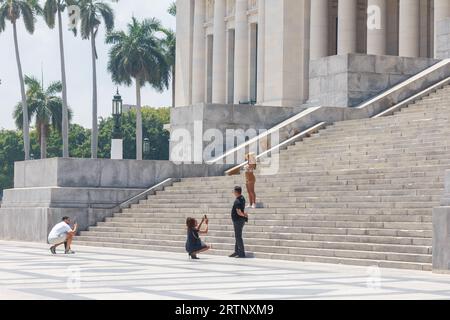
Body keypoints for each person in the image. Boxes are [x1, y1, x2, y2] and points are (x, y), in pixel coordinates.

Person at [229, 186, 248, 258]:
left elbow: (239, 212)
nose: (233, 192)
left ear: (236, 192)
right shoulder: (242, 198)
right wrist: (244, 215)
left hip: (238, 220)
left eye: (234, 191)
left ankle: (241, 253)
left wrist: (244, 215)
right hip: (241, 220)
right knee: (238, 236)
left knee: (238, 236)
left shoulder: (237, 200)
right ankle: (236, 251)